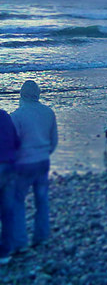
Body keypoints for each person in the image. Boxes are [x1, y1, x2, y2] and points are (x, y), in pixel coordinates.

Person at [10, 80, 58, 251]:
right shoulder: (48, 112)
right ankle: (42, 236)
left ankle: (21, 242)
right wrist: (45, 153)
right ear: (38, 94)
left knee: (18, 201)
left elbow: (12, 145)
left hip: (24, 163)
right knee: (42, 200)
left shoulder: (16, 115)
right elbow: (54, 141)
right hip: (43, 161)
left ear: (22, 95)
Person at [0, 110, 20, 264]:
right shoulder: (5, 116)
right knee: (7, 211)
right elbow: (17, 142)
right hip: (9, 167)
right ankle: (5, 253)